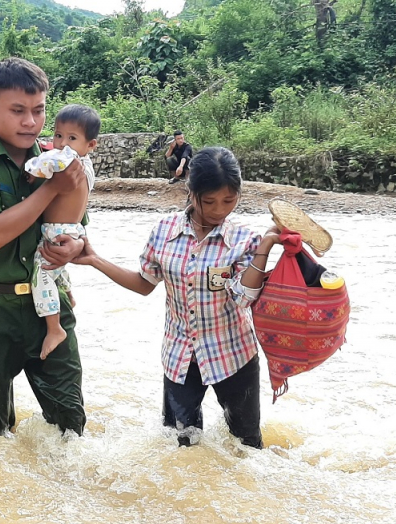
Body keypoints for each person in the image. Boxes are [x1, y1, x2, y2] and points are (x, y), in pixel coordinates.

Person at [73, 146, 281, 448]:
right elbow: (145, 284)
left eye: (229, 200)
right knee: (180, 445)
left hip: (234, 355)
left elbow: (244, 297)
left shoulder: (244, 239)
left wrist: (267, 246)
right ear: (191, 191)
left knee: (246, 445)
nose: (219, 210)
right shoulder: (164, 232)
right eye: (209, 201)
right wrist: (95, 260)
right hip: (180, 358)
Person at [0, 57, 88, 437]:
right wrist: (52, 188)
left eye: (39, 111)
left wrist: (74, 246)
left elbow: (76, 227)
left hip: (50, 308)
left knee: (70, 429)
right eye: (18, 111)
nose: (31, 122)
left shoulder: (57, 156)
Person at [26, 104, 99, 360]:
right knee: (58, 269)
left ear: (91, 145)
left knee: (42, 274)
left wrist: (33, 172)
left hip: (57, 231)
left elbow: (44, 162)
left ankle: (54, 328)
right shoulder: (86, 164)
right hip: (72, 229)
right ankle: (68, 295)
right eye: (58, 135)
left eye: (72, 138)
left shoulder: (67, 160)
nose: (62, 143)